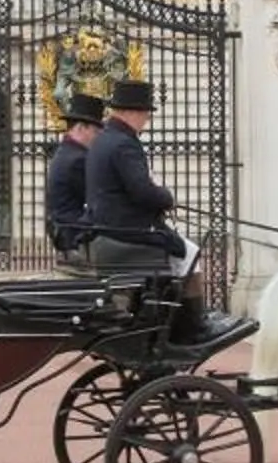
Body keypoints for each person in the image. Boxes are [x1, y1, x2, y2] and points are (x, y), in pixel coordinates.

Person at [80, 79, 237, 341]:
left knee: (180, 254)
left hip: (110, 226)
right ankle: (194, 327)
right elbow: (142, 191)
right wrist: (166, 198)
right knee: (189, 253)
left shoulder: (104, 139)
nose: (147, 120)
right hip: (128, 229)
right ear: (132, 112)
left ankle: (175, 317)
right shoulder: (124, 143)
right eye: (146, 114)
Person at [43, 89, 106, 264]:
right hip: (76, 236)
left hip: (67, 231)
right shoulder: (78, 159)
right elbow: (98, 197)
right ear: (80, 127)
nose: (98, 137)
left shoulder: (66, 152)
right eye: (95, 131)